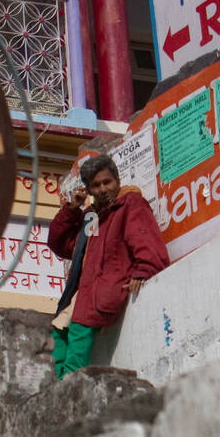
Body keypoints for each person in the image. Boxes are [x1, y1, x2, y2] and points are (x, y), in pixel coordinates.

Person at [47, 153, 169, 379]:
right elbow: (60, 244)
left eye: (107, 182)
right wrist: (71, 209)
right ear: (88, 190)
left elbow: (145, 240)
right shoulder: (91, 217)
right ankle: (59, 389)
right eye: (96, 185)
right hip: (80, 295)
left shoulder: (130, 204)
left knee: (77, 342)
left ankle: (69, 391)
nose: (103, 189)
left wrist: (143, 271)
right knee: (57, 338)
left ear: (117, 181)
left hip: (101, 292)